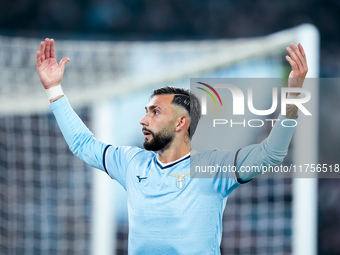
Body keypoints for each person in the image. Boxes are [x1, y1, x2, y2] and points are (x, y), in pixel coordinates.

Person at [36, 38, 308, 254]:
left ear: (181, 123)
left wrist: (294, 94)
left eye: (155, 112)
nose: (143, 119)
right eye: (146, 110)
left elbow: (270, 153)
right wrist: (54, 91)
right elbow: (84, 145)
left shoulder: (212, 168)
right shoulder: (132, 163)